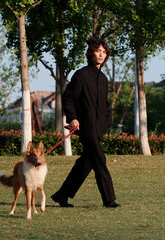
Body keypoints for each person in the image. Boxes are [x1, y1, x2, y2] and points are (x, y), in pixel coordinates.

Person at [51, 40, 121, 208]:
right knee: (99, 159)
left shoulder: (103, 79)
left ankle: (62, 194)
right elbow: (68, 97)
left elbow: (104, 104)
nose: (101, 54)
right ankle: (109, 200)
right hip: (85, 127)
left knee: (87, 162)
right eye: (98, 51)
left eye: (104, 51)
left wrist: (105, 122)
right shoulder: (81, 75)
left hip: (99, 128)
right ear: (91, 54)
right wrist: (73, 118)